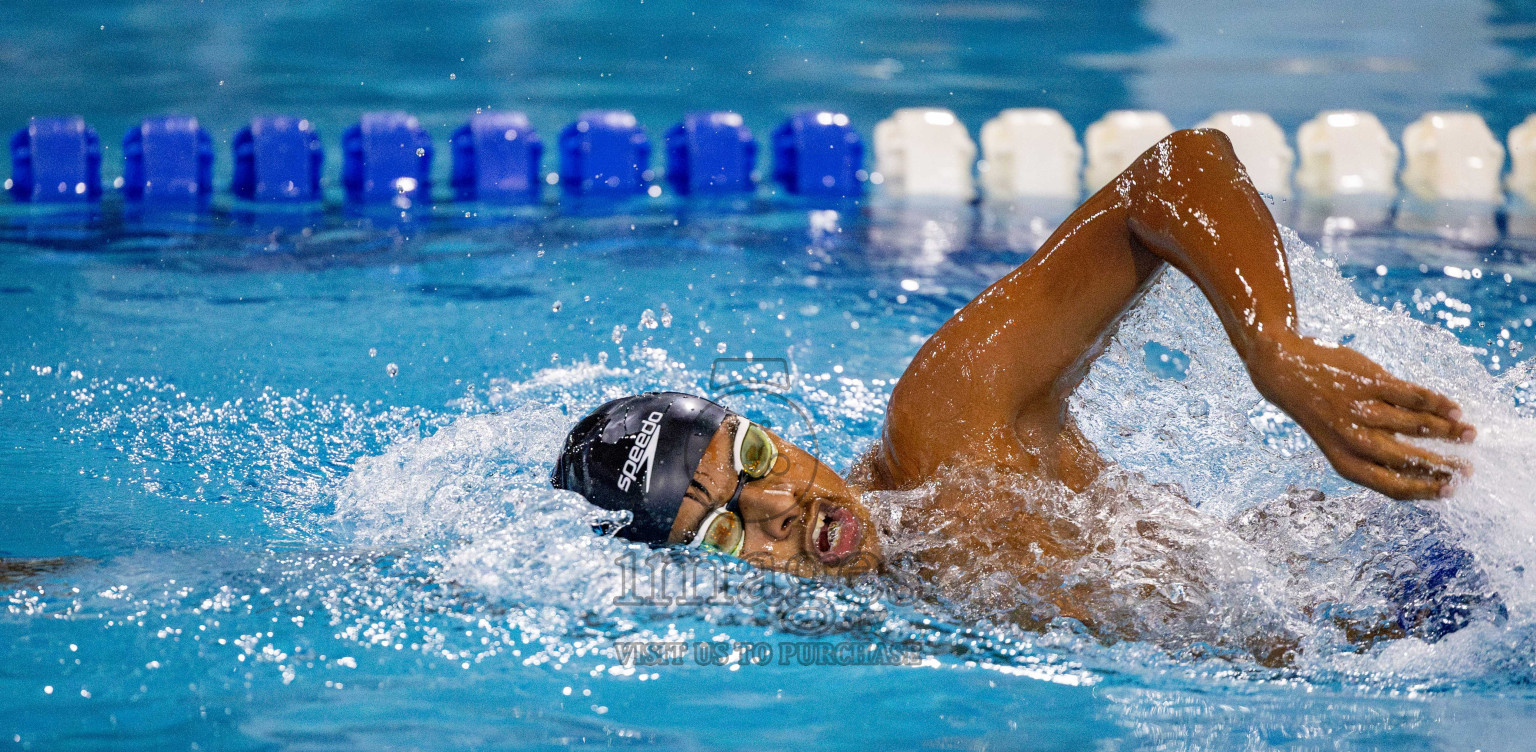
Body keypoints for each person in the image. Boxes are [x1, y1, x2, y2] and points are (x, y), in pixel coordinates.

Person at [552, 129, 1476, 640]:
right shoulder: (844, 629)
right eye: (721, 527)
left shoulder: (945, 434)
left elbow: (1173, 173)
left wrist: (1275, 348)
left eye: (753, 457)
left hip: (1425, 573)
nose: (781, 506)